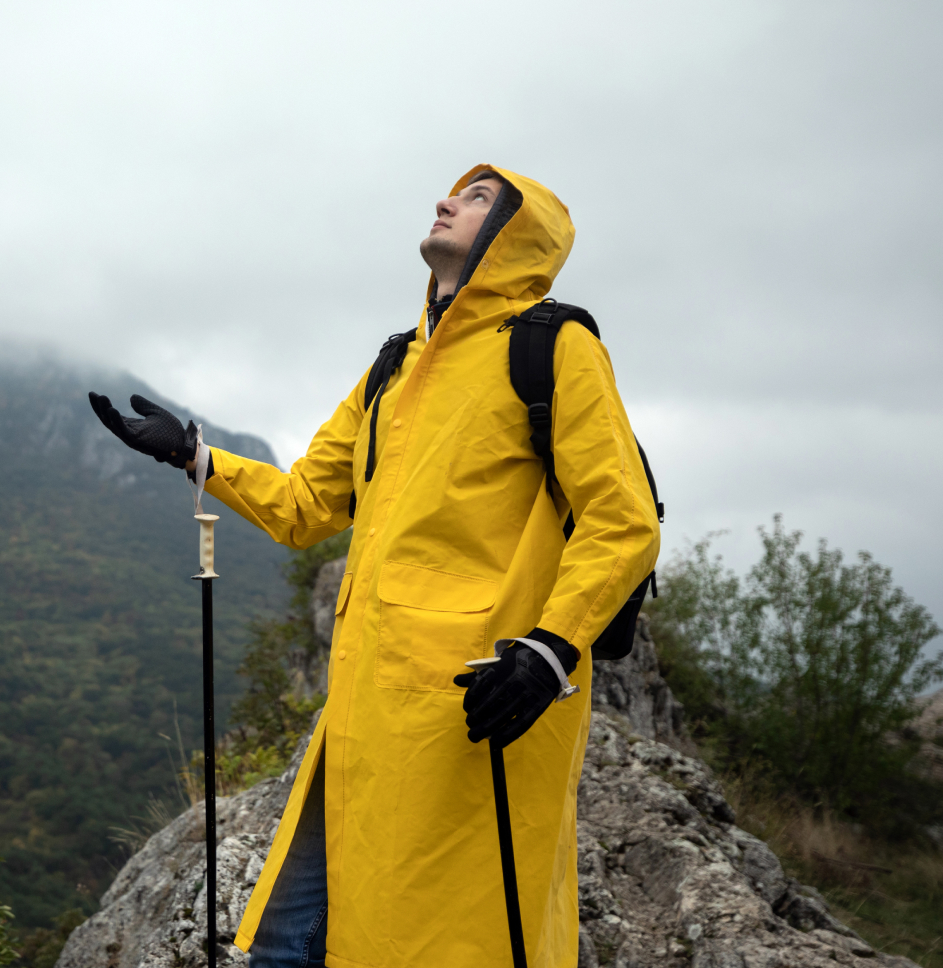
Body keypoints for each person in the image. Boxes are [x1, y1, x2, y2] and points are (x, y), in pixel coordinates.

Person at [88, 165, 659, 968]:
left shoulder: (555, 348)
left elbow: (622, 519)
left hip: (472, 707)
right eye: (453, 192)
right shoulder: (394, 366)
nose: (446, 202)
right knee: (288, 940)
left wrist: (548, 647)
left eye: (478, 198)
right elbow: (303, 505)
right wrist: (195, 454)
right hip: (362, 714)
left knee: (447, 939)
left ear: (518, 233)